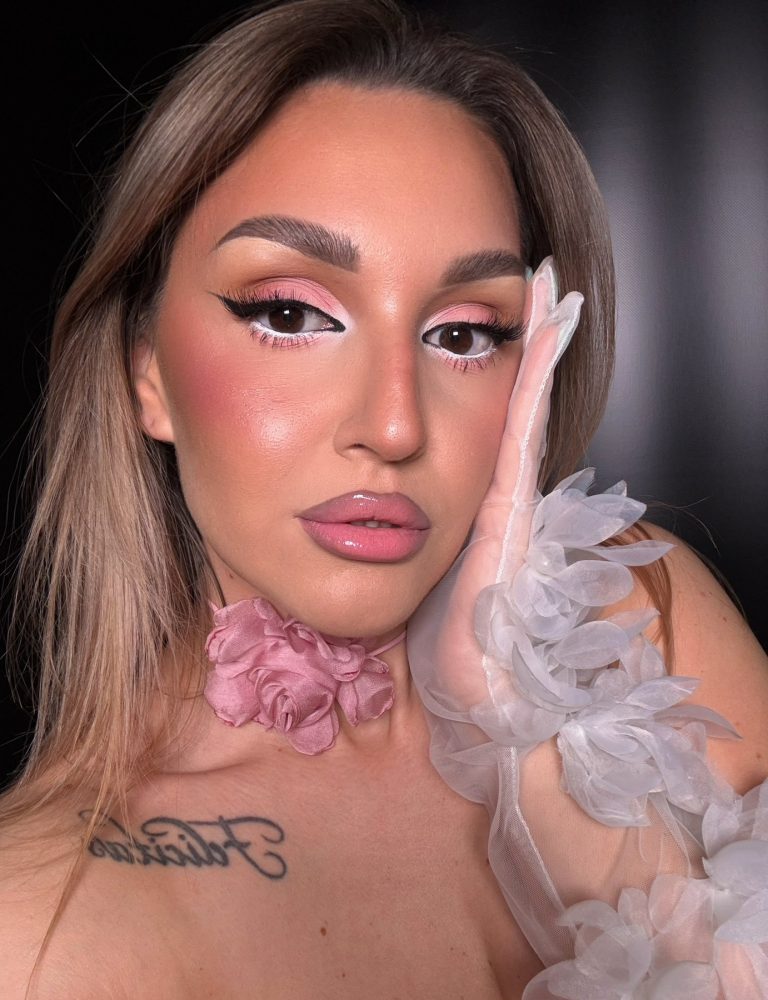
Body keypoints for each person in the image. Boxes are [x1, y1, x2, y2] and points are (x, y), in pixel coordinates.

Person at [1, 0, 766, 996]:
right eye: (290, 313)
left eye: (463, 333)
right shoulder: (42, 926)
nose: (395, 426)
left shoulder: (642, 621)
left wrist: (526, 746)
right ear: (145, 370)